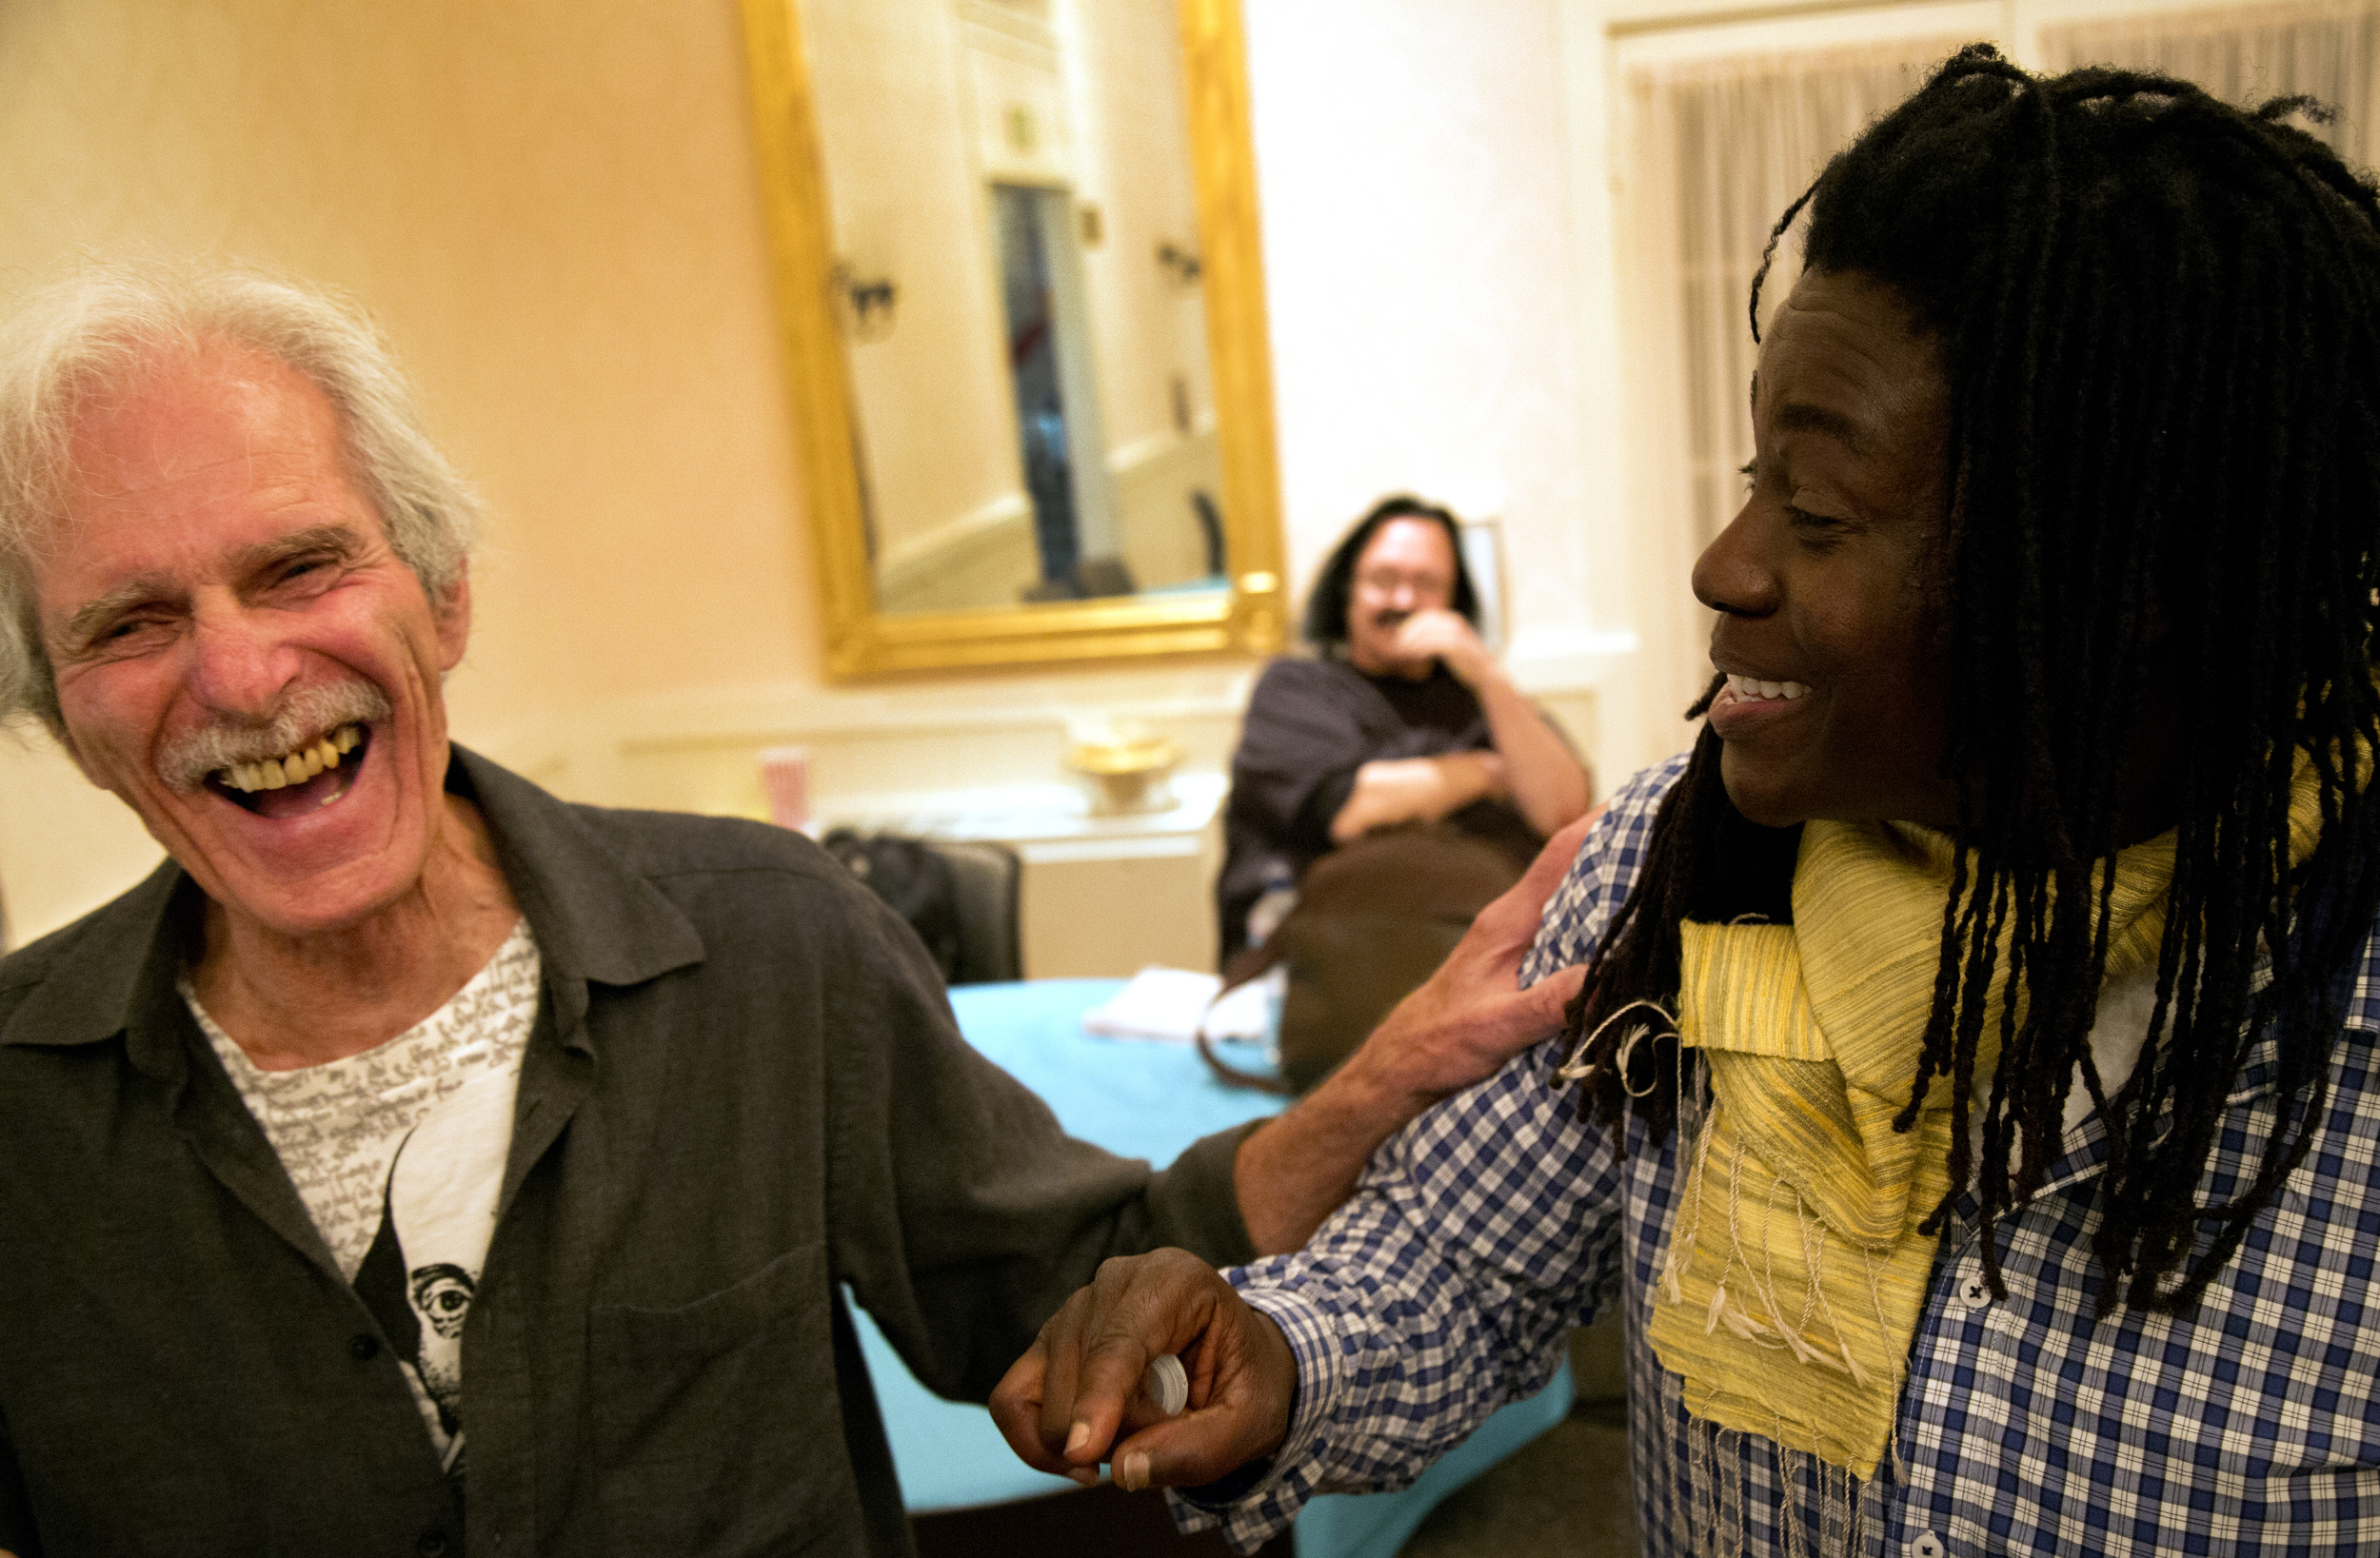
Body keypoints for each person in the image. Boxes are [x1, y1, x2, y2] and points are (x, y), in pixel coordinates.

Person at [992, 48, 2380, 1555]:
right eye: (1751, 472)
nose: (1724, 562)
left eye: (1822, 509)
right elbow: (1460, 1265)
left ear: (2125, 587)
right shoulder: (1677, 872)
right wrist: (1272, 1357)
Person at [0, 264, 1590, 1558]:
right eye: (132, 619)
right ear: (62, 710)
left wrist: (1376, 1084)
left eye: (296, 568)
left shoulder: (770, 941)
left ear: (445, 594)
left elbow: (1077, 1290)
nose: (238, 674)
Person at [1215, 495, 1592, 962]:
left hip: (1490, 956)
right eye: (1383, 580)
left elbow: (1563, 810)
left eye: (1426, 584)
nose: (1403, 600)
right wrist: (1486, 772)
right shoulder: (1296, 688)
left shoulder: (1483, 698)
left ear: (1454, 601)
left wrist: (1489, 676)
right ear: (1347, 590)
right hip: (1329, 964)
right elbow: (1351, 809)